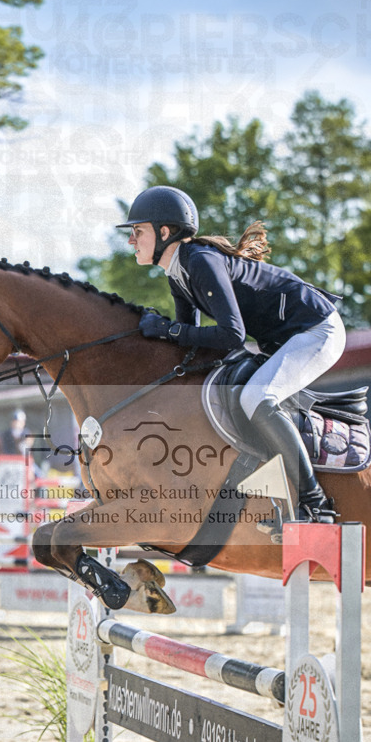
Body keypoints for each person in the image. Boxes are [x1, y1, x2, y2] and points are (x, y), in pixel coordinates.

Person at [117, 185, 346, 525]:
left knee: (257, 396)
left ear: (164, 232)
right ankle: (282, 499)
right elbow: (190, 345)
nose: (132, 240)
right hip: (285, 338)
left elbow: (231, 335)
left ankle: (316, 505)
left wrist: (167, 330)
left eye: (138, 231)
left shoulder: (200, 261)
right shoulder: (178, 273)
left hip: (316, 329)